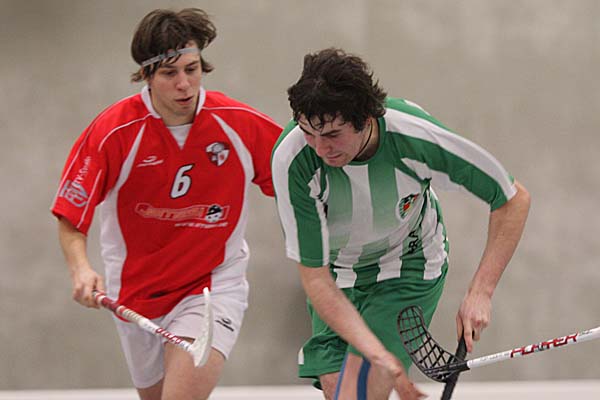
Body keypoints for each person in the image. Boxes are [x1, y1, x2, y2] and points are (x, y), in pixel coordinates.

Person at [271, 48, 530, 400]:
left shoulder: (416, 137)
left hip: (406, 265)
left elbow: (513, 200)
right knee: (338, 386)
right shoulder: (292, 160)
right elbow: (315, 277)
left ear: (365, 118)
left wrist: (480, 292)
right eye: (308, 133)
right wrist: (378, 356)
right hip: (336, 274)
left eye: (332, 135)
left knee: (356, 394)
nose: (319, 148)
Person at [51, 8, 281, 400]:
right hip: (136, 295)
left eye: (192, 69)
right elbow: (71, 215)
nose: (184, 84)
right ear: (146, 75)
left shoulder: (239, 123)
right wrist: (81, 269)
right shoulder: (114, 131)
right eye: (169, 73)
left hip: (211, 286)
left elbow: (301, 180)